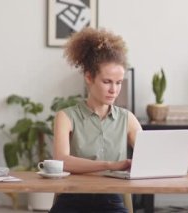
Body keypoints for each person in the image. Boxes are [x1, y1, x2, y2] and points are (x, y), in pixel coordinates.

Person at [50, 27, 142, 213]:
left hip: (111, 201)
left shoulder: (127, 119)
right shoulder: (66, 117)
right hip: (72, 199)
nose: (114, 90)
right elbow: (62, 161)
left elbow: (150, 159)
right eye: (107, 81)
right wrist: (110, 165)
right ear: (89, 78)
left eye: (118, 82)